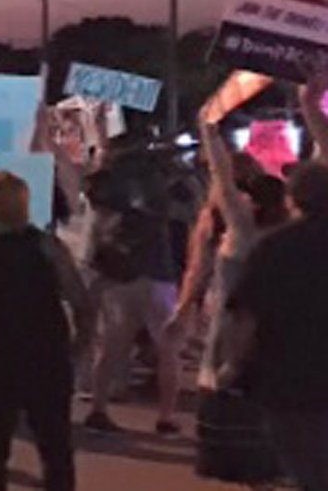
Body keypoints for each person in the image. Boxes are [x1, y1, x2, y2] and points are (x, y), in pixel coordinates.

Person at [0, 171, 93, 491]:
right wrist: (80, 346)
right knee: (54, 445)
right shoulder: (46, 245)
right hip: (44, 354)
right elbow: (80, 301)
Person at [166, 122, 285, 489]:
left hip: (231, 327)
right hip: (273, 331)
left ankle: (251, 473)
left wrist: (210, 133)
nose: (240, 196)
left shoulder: (241, 231)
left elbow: (222, 181)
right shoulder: (286, 235)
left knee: (229, 398)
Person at [222, 161, 328, 490]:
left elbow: (246, 316)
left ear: (291, 198)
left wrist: (232, 365)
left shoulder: (274, 247)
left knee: (307, 468)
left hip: (289, 380)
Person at [83, 152, 183, 436]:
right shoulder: (156, 194)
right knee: (168, 347)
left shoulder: (107, 197)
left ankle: (98, 409)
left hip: (119, 276)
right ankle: (166, 416)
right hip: (157, 273)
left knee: (113, 346)